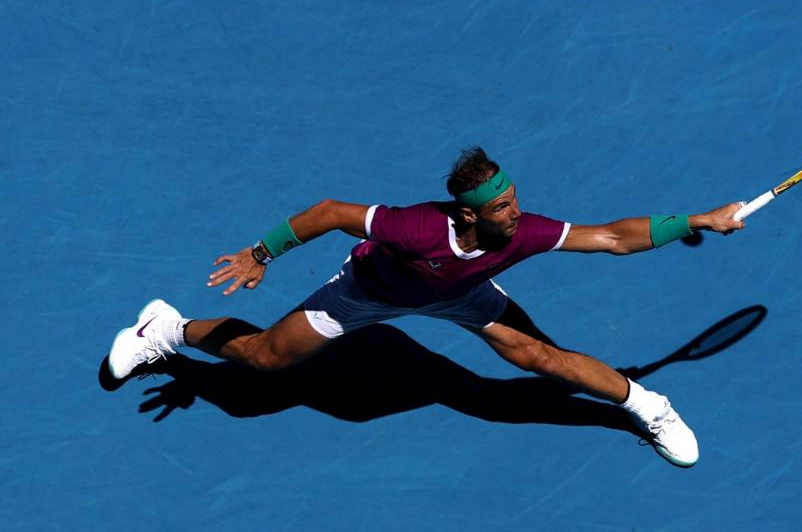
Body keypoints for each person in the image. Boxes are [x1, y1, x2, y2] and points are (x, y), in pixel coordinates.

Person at [108, 147, 744, 467]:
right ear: (468, 214)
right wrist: (261, 251)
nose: (516, 213)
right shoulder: (412, 228)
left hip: (463, 297)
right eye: (502, 207)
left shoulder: (523, 231)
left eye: (514, 199)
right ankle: (168, 328)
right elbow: (330, 213)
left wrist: (701, 219)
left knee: (534, 354)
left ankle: (649, 407)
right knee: (266, 362)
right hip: (367, 293)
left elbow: (611, 236)